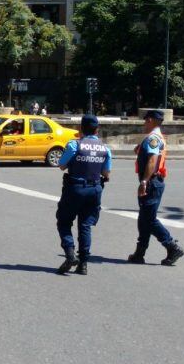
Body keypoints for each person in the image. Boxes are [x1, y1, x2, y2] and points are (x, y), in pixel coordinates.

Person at [55, 115, 112, 275]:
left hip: (75, 188)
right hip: (94, 190)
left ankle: (70, 254)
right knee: (85, 226)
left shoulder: (74, 145)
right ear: (97, 130)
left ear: (81, 129)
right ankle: (84, 264)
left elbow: (61, 165)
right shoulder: (105, 148)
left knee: (64, 221)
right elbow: (106, 173)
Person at [128, 110, 184, 266]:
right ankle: (140, 253)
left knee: (149, 219)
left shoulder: (153, 138)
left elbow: (152, 160)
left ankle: (172, 246)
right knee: (144, 218)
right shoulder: (155, 137)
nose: (144, 123)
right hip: (154, 181)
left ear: (151, 120)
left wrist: (144, 182)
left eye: (146, 121)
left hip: (152, 182)